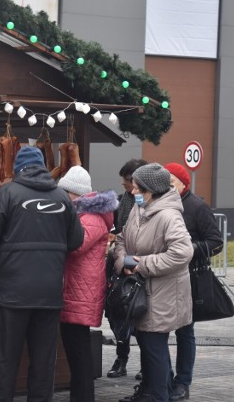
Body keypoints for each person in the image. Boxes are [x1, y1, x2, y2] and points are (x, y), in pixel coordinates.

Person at [0, 146, 84, 402]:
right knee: (44, 362)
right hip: (49, 292)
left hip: (12, 291)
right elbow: (76, 240)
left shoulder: (7, 193)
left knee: (4, 359)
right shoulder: (62, 197)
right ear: (43, 167)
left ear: (17, 169)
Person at [114, 163, 193, 402]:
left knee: (155, 351)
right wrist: (123, 261)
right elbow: (121, 240)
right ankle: (154, 393)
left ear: (151, 190)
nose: (133, 192)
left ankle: (160, 395)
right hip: (142, 294)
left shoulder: (169, 216)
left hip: (162, 297)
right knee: (149, 349)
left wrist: (142, 264)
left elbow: (182, 252)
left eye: (137, 188)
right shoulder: (139, 210)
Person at [57, 166, 119, 402]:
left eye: (65, 192)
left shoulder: (91, 216)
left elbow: (76, 244)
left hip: (81, 292)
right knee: (75, 351)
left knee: (79, 353)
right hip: (77, 289)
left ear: (75, 194)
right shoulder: (84, 214)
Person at [164, 162, 224, 401]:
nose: (168, 188)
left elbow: (216, 242)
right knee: (158, 331)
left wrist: (189, 249)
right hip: (164, 277)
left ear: (183, 183)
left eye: (172, 183)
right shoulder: (162, 206)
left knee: (184, 332)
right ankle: (164, 378)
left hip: (189, 278)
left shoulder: (197, 207)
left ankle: (182, 382)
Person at [106, 158, 147, 380]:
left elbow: (146, 240)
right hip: (122, 266)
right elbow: (119, 232)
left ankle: (144, 363)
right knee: (117, 314)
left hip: (140, 269)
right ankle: (121, 358)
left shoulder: (147, 203)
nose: (125, 189)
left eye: (127, 184)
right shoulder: (125, 201)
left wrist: (130, 263)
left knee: (140, 317)